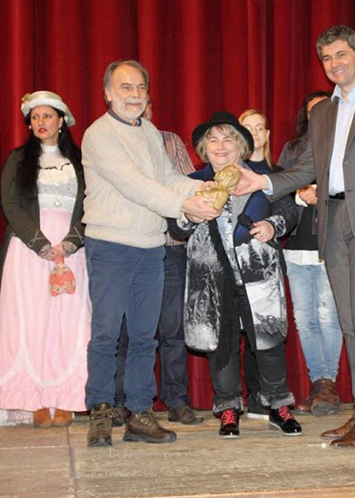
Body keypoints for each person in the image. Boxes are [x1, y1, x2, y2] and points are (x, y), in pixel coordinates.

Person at [235, 25, 355, 448]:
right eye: (327, 58)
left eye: (341, 54)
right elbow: (307, 169)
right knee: (350, 322)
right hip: (332, 222)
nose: (335, 64)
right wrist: (262, 183)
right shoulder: (322, 113)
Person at [81, 59, 218, 448]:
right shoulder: (99, 134)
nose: (135, 95)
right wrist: (185, 205)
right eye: (126, 87)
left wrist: (202, 189)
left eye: (141, 88)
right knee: (107, 334)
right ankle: (101, 413)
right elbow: (134, 184)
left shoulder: (151, 131)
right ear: (108, 93)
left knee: (144, 336)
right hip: (110, 246)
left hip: (151, 246)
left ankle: (139, 413)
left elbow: (168, 178)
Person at [168, 111, 301, 440]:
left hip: (258, 274)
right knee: (221, 343)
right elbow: (176, 228)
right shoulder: (192, 183)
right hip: (212, 278)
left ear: (241, 145)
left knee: (268, 340)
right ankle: (228, 408)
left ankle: (278, 406)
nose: (220, 146)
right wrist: (191, 214)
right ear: (204, 149)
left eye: (228, 139)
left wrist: (273, 225)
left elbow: (289, 211)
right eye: (212, 140)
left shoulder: (262, 177)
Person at [0, 91, 89, 428]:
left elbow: (91, 202)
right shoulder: (18, 159)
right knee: (31, 321)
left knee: (68, 322)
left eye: (47, 116)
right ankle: (34, 400)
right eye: (35, 117)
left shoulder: (80, 160)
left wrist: (71, 242)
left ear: (62, 121)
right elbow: (11, 204)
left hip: (71, 251)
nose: (41, 122)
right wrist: (42, 245)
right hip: (29, 250)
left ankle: (65, 398)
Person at [112, 100, 203, 427]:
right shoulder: (112, 143)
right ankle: (121, 402)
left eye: (146, 103)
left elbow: (187, 184)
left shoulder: (170, 141)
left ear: (151, 108)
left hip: (170, 249)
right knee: (126, 333)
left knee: (172, 331)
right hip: (130, 248)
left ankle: (176, 401)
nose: (140, 108)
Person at [275, 91, 344, 417]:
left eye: (324, 110)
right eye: (312, 112)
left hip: (331, 244)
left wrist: (322, 193)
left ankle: (325, 385)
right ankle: (321, 386)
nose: (318, 117)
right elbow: (278, 189)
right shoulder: (292, 149)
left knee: (329, 316)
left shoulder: (344, 145)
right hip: (296, 244)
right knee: (304, 320)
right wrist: (299, 193)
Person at [236, 108, 274, 420]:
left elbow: (288, 212)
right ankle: (233, 398)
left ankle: (261, 395)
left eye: (260, 127)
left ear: (267, 134)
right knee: (235, 333)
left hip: (265, 265)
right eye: (247, 128)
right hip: (232, 261)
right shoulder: (230, 171)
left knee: (261, 331)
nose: (255, 133)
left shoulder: (279, 174)